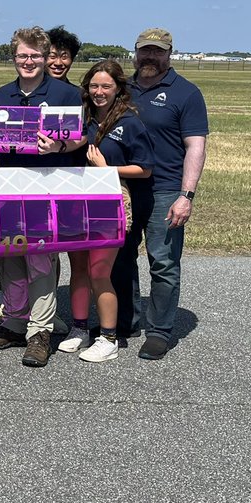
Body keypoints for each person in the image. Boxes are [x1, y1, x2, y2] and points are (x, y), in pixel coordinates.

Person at [0, 26, 84, 368]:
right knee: (9, 256)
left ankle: (40, 331)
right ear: (14, 57)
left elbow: (81, 136)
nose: (28, 61)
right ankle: (14, 322)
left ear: (45, 57)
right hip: (9, 187)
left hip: (46, 188)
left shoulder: (66, 94)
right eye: (22, 55)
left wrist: (58, 146)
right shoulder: (3, 93)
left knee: (40, 260)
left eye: (35, 55)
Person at [113, 28, 208, 360]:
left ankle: (159, 331)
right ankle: (124, 321)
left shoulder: (186, 92)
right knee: (120, 258)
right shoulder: (122, 89)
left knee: (163, 263)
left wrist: (186, 195)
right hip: (124, 188)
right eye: (145, 50)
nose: (150, 57)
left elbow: (195, 147)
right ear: (135, 52)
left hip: (166, 189)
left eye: (158, 51)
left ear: (169, 53)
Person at [63, 60, 154, 363]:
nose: (99, 92)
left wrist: (107, 169)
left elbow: (144, 168)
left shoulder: (130, 122)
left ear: (118, 89)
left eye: (106, 86)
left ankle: (109, 338)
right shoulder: (83, 118)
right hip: (78, 201)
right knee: (78, 268)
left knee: (99, 272)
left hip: (110, 202)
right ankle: (79, 328)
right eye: (94, 86)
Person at [45, 25, 94, 351]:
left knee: (77, 255)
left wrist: (62, 146)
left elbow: (88, 133)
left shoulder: (81, 96)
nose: (58, 61)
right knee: (38, 253)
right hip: (35, 183)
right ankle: (30, 312)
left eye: (64, 56)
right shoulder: (31, 91)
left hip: (73, 182)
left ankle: (79, 324)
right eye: (52, 55)